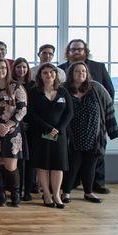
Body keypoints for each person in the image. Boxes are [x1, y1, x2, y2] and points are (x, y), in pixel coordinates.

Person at [59, 38, 115, 194]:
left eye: (80, 49)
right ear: (68, 52)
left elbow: (109, 92)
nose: (76, 52)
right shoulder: (61, 69)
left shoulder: (98, 67)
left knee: (96, 157)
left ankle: (96, 184)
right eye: (73, 49)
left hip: (93, 122)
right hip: (72, 126)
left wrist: (101, 113)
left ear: (85, 51)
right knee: (73, 159)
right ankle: (71, 185)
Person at [63, 61, 118, 204]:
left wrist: (112, 131)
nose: (80, 74)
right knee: (73, 165)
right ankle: (66, 192)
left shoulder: (96, 88)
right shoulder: (64, 89)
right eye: (77, 71)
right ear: (71, 73)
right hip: (72, 136)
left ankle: (88, 192)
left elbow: (108, 108)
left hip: (93, 135)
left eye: (83, 71)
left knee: (90, 165)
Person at [27, 63, 73, 209]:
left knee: (58, 166)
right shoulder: (34, 92)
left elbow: (69, 113)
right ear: (40, 75)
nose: (49, 75)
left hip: (59, 134)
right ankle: (46, 194)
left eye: (51, 72)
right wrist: (47, 128)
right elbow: (31, 113)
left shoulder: (63, 92)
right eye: (45, 73)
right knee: (43, 165)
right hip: (40, 133)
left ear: (56, 74)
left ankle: (57, 195)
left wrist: (58, 129)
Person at [0, 58, 27, 207]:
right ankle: (1, 194)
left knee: (10, 165)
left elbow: (22, 109)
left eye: (3, 67)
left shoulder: (16, 87)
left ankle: (15, 194)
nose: (0, 70)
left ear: (7, 69)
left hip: (12, 131)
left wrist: (7, 125)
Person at [12, 57, 35, 201]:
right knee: (17, 160)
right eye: (18, 67)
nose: (21, 70)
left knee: (30, 160)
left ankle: (28, 190)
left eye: (24, 67)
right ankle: (17, 189)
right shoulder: (12, 85)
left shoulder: (33, 85)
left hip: (31, 127)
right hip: (15, 126)